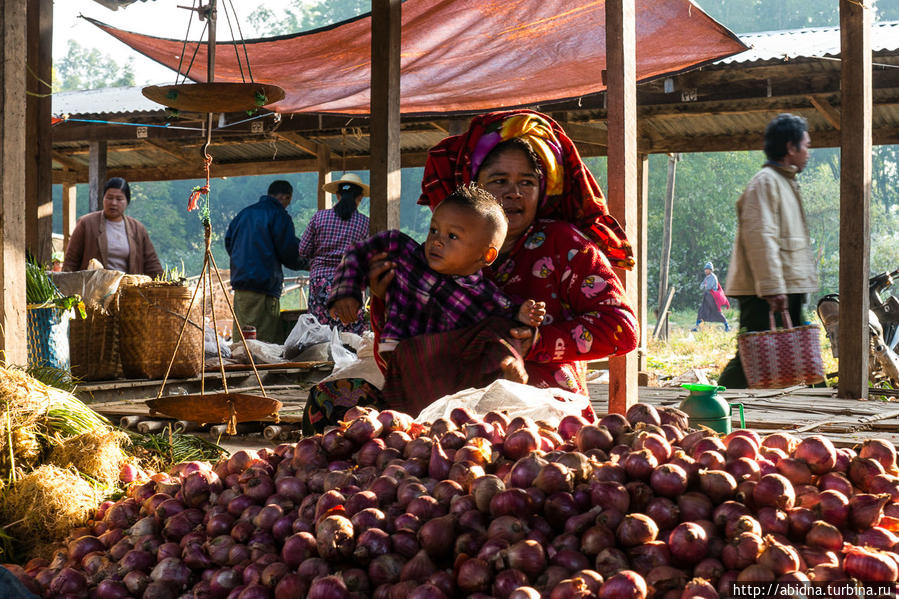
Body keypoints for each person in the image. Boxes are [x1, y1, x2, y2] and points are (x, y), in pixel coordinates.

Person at [303, 110, 638, 431]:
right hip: (444, 401)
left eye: (527, 182)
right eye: (499, 180)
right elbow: (402, 352)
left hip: (536, 406)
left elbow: (621, 328)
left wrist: (536, 342)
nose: (514, 192)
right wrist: (383, 299)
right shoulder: (441, 251)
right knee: (331, 402)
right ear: (472, 187)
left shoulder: (565, 245)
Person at [328, 183, 545, 352]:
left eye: (452, 236)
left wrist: (522, 315)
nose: (437, 241)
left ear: (486, 255)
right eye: (434, 230)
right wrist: (347, 291)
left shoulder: (483, 296)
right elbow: (358, 252)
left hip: (446, 374)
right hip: (399, 358)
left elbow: (506, 318)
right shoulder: (403, 251)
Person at [717, 113, 818, 388]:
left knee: (791, 351)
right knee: (751, 355)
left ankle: (801, 399)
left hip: (785, 285)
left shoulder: (783, 181)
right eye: (806, 145)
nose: (809, 152)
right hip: (766, 290)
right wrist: (773, 287)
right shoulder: (766, 182)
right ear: (790, 148)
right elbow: (760, 237)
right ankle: (712, 402)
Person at [225, 180, 305, 344]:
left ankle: (241, 368)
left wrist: (242, 263)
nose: (287, 206)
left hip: (241, 287)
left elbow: (229, 243)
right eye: (288, 201)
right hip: (265, 286)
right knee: (263, 342)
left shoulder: (244, 214)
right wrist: (308, 263)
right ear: (285, 197)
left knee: (242, 340)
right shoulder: (279, 215)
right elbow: (288, 252)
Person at [298, 173, 370, 334]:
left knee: (321, 333)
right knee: (351, 333)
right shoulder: (365, 223)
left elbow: (303, 250)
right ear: (360, 197)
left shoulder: (319, 217)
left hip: (320, 283)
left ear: (338, 195)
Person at [63, 177, 164, 276]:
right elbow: (71, 261)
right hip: (94, 289)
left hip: (128, 289)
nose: (113, 203)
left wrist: (166, 286)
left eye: (119, 199)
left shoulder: (137, 229)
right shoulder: (86, 223)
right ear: (103, 199)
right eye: (109, 198)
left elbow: (152, 264)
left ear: (127, 201)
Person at [692, 261, 730, 332]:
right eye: (705, 269)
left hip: (712, 298)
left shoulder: (713, 277)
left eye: (707, 269)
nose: (706, 270)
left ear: (710, 270)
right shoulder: (707, 277)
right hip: (707, 297)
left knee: (717, 312)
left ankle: (727, 326)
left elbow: (708, 287)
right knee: (701, 311)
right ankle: (697, 327)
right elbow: (701, 286)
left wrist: (704, 286)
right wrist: (704, 286)